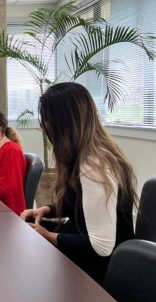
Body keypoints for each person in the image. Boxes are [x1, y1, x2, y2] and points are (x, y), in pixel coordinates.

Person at [21, 82, 137, 284]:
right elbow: (79, 204)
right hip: (87, 258)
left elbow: (100, 247)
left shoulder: (93, 165)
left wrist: (46, 234)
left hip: (101, 275)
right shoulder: (88, 154)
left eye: (47, 121)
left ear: (63, 123)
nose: (45, 126)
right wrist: (46, 210)